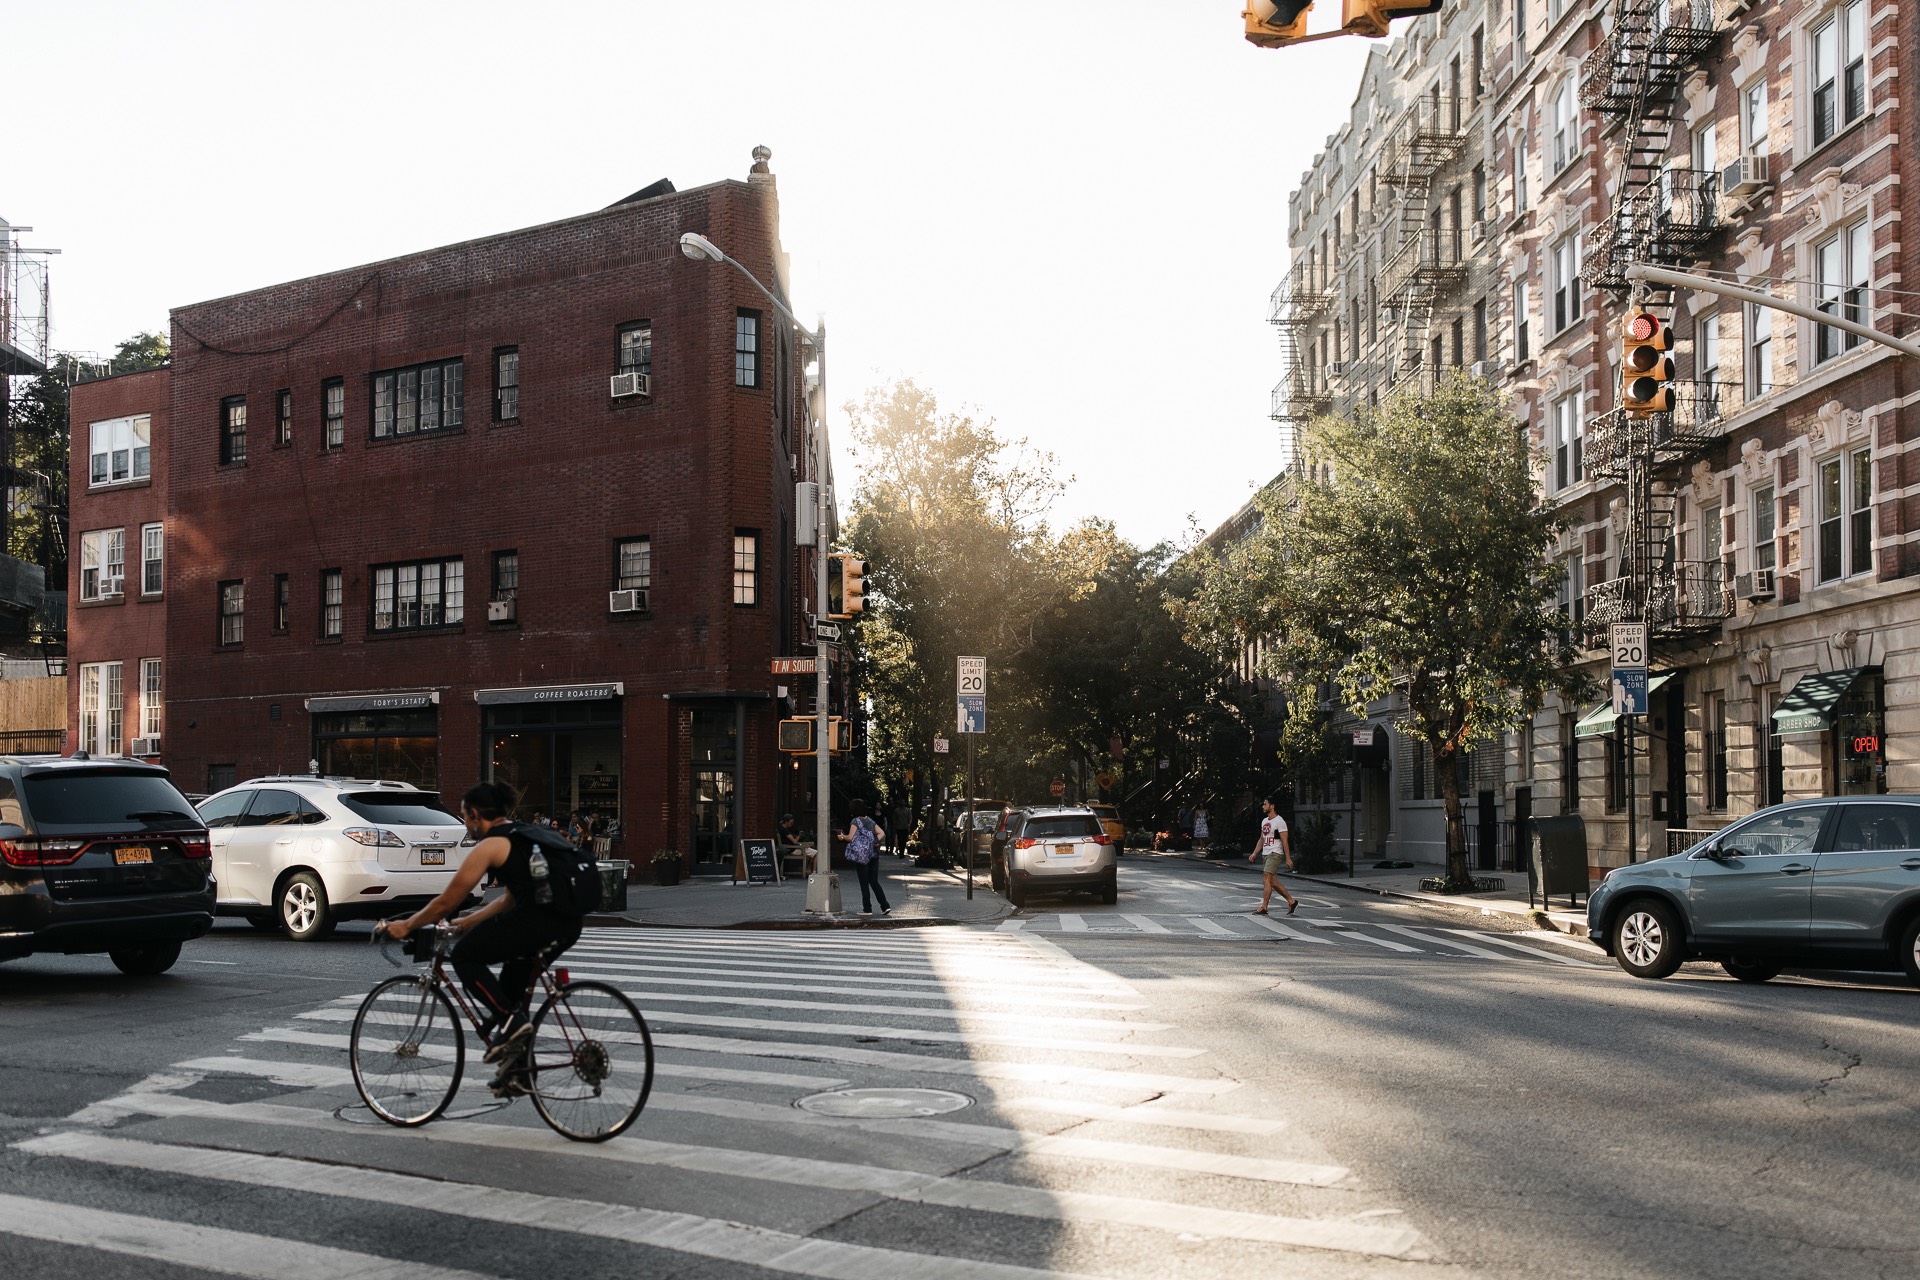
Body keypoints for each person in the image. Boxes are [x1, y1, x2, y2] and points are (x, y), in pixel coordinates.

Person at [375, 781, 583, 1096]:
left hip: (538, 925)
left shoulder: (490, 845)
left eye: (464, 817)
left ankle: (511, 1024)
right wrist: (469, 921)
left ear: (474, 814)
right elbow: (511, 898)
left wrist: (406, 925)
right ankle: (520, 1072)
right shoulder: (524, 835)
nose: (464, 824)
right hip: (566, 924)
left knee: (464, 957)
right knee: (510, 992)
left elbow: (446, 902)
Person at [839, 799, 890, 916]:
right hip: (874, 854)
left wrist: (842, 837)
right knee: (874, 881)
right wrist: (876, 841)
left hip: (862, 856)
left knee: (864, 882)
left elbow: (850, 838)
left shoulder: (855, 821)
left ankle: (867, 909)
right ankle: (885, 906)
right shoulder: (870, 820)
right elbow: (882, 833)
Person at [1249, 797, 1297, 916]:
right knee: (1273, 882)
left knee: (1266, 877)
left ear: (1272, 806)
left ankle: (1264, 907)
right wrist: (1255, 853)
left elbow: (1285, 841)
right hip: (1265, 853)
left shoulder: (1279, 821)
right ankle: (1292, 901)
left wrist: (1288, 858)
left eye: (1265, 804)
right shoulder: (1264, 821)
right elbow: (1261, 839)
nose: (1263, 806)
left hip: (1275, 853)